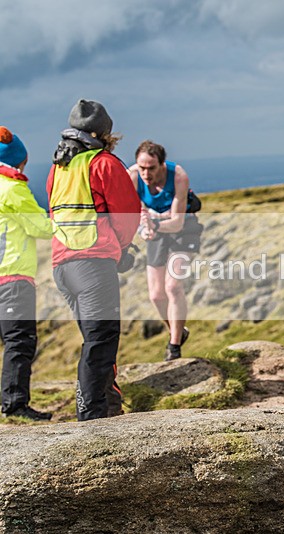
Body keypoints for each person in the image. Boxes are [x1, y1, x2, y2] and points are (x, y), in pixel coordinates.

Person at [48, 99, 140, 421]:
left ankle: (108, 403)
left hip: (62, 266)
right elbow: (127, 214)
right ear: (103, 133)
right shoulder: (103, 164)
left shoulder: (58, 169)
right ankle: (92, 415)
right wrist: (122, 249)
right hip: (93, 264)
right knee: (101, 340)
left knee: (94, 340)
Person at [0, 127, 54, 421]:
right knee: (19, 341)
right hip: (13, 276)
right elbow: (41, 228)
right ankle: (14, 404)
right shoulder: (12, 189)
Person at [129, 140, 200, 361]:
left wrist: (154, 224)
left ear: (162, 164)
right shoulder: (131, 177)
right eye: (142, 168)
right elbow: (133, 211)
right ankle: (178, 331)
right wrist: (143, 227)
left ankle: (174, 346)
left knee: (173, 286)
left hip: (182, 230)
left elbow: (177, 223)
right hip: (155, 230)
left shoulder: (178, 176)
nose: (146, 173)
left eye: (151, 168)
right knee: (156, 295)